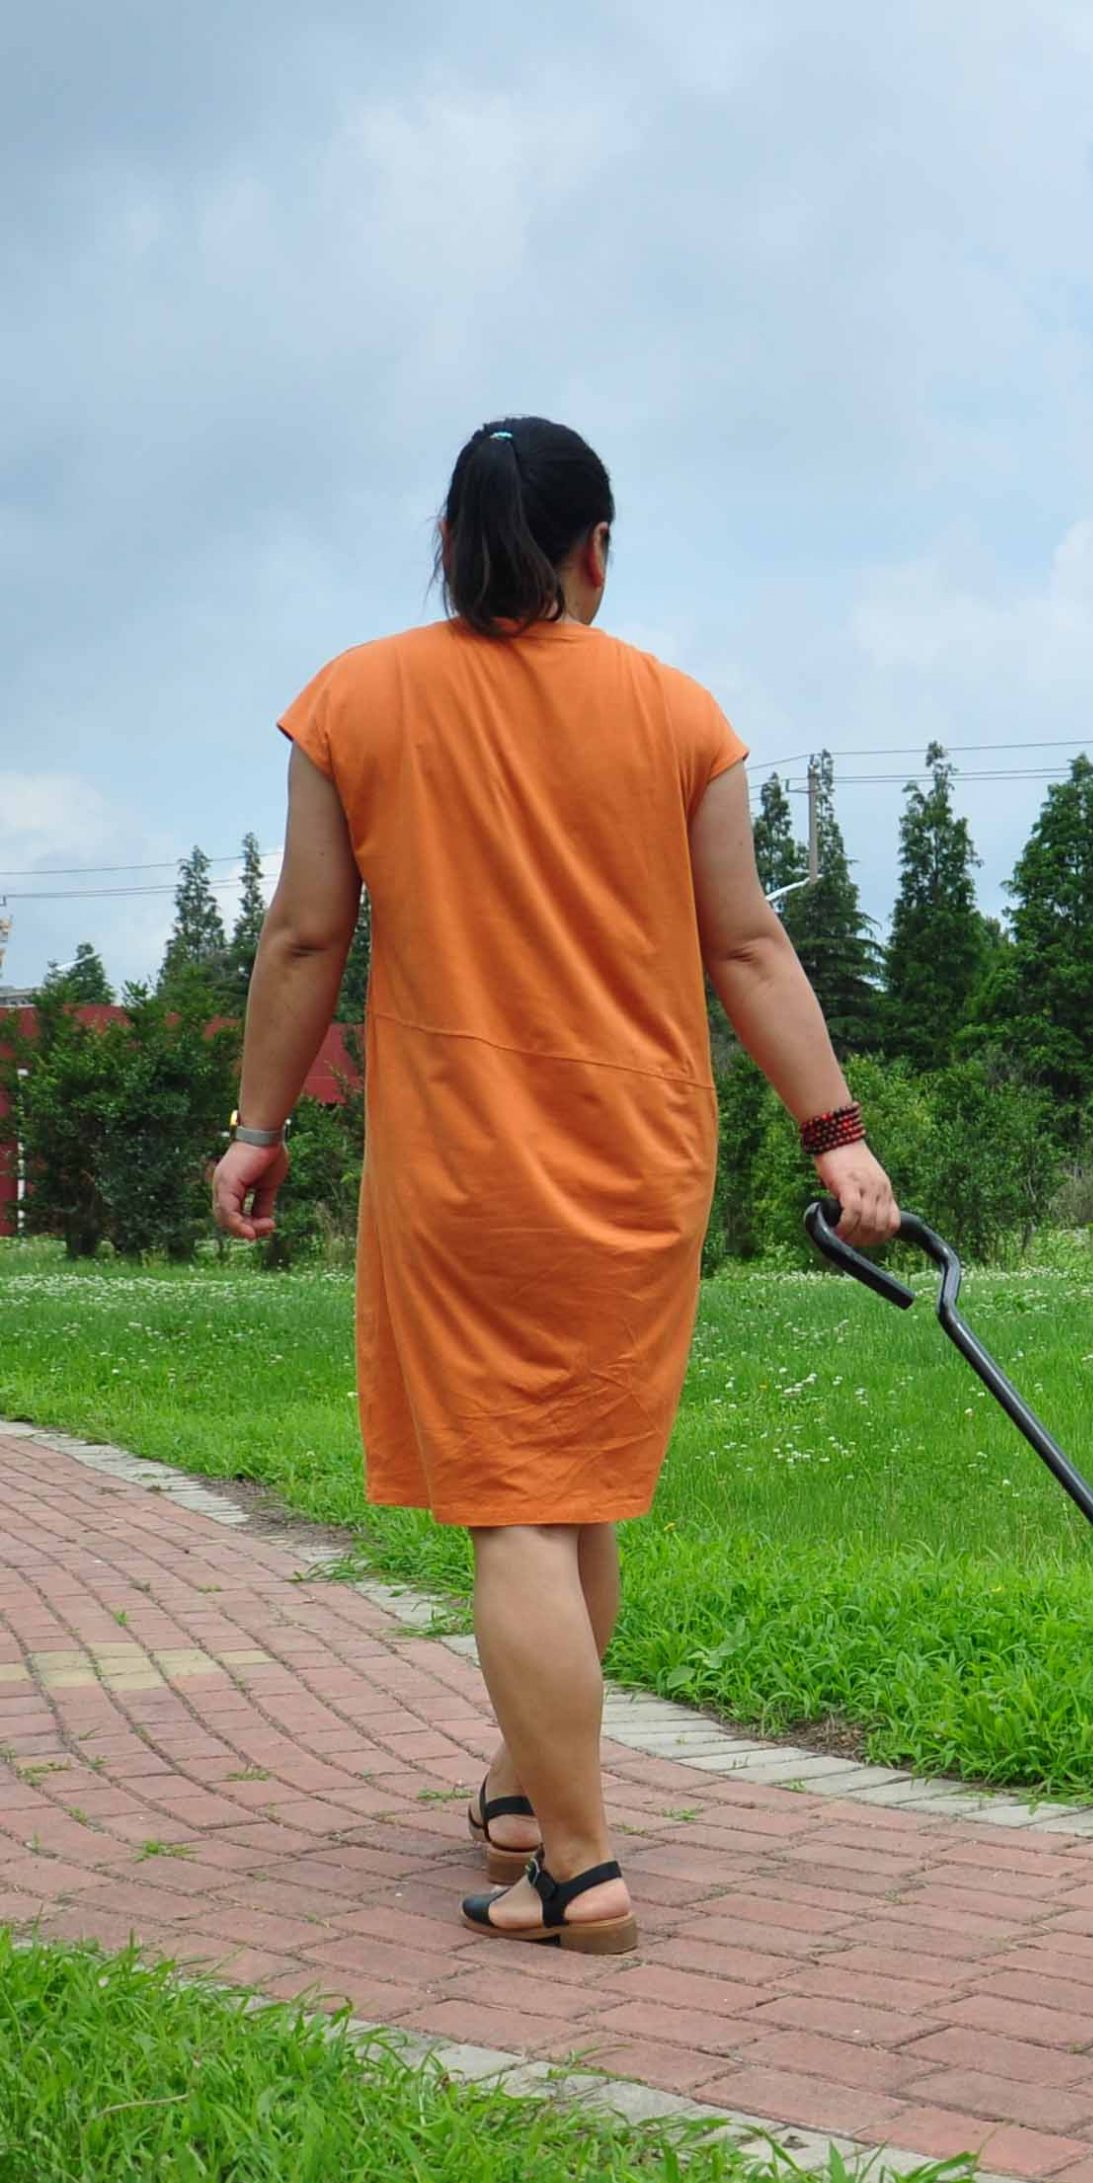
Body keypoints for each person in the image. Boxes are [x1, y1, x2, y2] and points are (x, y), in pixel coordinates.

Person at [212, 416, 897, 1955]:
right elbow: (746, 947)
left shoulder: (356, 701)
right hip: (645, 1155)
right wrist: (834, 1130)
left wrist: (261, 1123)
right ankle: (528, 1789)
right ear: (598, 549)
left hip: (465, 1164)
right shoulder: (678, 714)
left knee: (517, 1505)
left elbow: (307, 938)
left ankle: (576, 1872)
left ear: (451, 545)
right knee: (575, 1487)